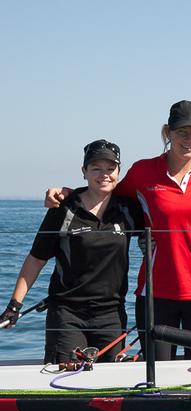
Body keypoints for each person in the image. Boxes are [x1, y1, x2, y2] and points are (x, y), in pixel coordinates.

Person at [46, 101, 191, 360]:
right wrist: (67, 193)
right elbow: (103, 195)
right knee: (156, 373)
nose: (188, 140)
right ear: (168, 133)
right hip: (156, 290)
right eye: (181, 132)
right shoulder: (143, 172)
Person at [0, 140, 143, 364]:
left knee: (109, 386)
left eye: (110, 168)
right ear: (84, 171)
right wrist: (14, 305)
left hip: (112, 314)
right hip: (67, 313)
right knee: (65, 377)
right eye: (96, 168)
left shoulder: (129, 209)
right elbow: (36, 259)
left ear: (118, 171)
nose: (104, 174)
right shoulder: (64, 208)